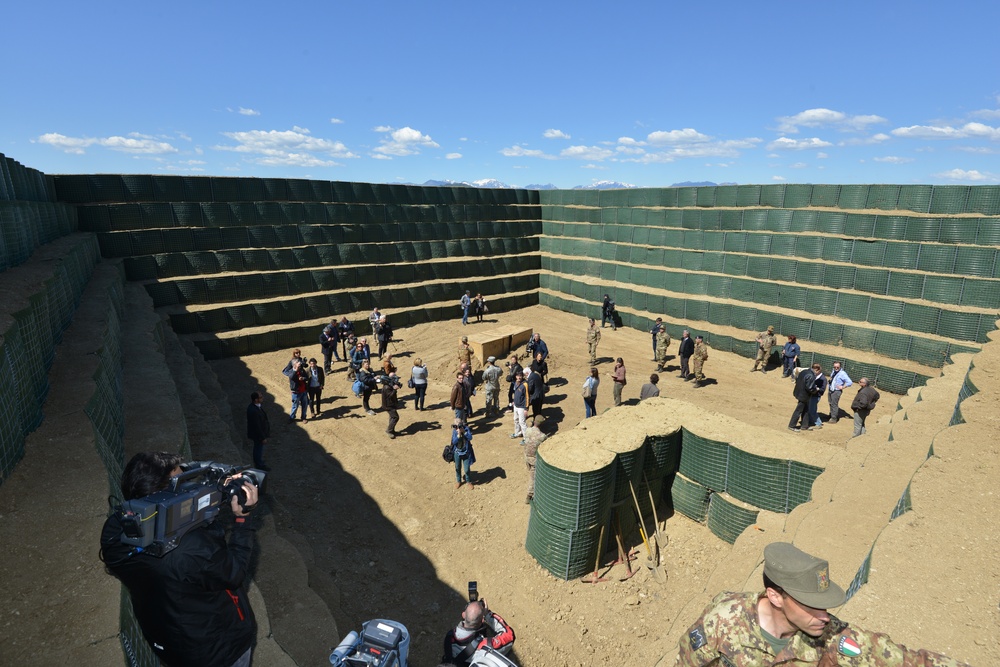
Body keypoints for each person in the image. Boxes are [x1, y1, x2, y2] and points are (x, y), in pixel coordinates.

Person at [669, 541, 970, 667]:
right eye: (811, 605)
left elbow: (894, 658)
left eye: (824, 606)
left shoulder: (827, 632)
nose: (824, 616)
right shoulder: (720, 625)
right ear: (776, 597)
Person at [100, 452, 259, 667]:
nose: (190, 487)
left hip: (169, 643)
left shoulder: (116, 531)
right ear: (165, 499)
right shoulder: (192, 550)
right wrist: (242, 518)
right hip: (218, 651)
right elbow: (234, 572)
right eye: (183, 485)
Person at [442, 599, 514, 665]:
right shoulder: (485, 645)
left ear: (463, 615)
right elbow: (509, 635)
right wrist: (487, 614)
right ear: (482, 620)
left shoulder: (449, 636)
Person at [522, 415, 547, 504]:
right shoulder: (542, 436)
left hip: (526, 457)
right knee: (533, 478)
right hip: (534, 460)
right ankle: (529, 496)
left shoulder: (527, 430)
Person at [246, 391, 271, 471]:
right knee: (258, 449)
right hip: (257, 435)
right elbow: (257, 426)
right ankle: (259, 465)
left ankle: (259, 462)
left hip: (258, 433)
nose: (262, 398)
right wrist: (262, 437)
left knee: (258, 448)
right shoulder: (253, 411)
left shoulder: (255, 407)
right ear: (256, 400)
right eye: (260, 397)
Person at [788, 364, 816, 432]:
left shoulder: (804, 371)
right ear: (816, 370)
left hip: (799, 393)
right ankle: (791, 425)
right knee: (798, 410)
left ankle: (804, 425)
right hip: (804, 396)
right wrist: (815, 390)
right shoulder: (811, 376)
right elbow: (810, 388)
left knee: (805, 410)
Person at [451, 418, 476, 489]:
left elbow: (470, 437)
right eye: (456, 426)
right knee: (457, 467)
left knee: (467, 469)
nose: (457, 427)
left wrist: (464, 432)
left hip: (466, 452)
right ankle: (458, 481)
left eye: (459, 425)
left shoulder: (466, 429)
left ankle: (468, 481)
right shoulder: (454, 431)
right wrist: (458, 435)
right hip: (457, 452)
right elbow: (454, 441)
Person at [288, 359, 310, 423]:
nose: (299, 363)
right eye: (297, 362)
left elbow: (307, 377)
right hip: (296, 392)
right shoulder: (291, 371)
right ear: (294, 365)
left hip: (303, 391)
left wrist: (303, 378)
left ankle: (303, 417)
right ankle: (292, 418)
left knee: (304, 405)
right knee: (295, 406)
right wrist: (296, 370)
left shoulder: (302, 370)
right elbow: (291, 377)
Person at [381, 372, 400, 439]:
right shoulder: (387, 387)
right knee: (395, 417)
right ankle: (389, 431)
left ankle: (392, 430)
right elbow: (390, 396)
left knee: (392, 417)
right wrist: (395, 389)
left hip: (390, 404)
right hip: (388, 405)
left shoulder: (388, 385)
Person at [807, 363, 826, 429]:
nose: (813, 371)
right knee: (809, 409)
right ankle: (810, 421)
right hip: (810, 395)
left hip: (816, 396)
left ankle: (818, 423)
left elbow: (822, 390)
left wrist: (817, 389)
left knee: (812, 410)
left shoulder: (823, 379)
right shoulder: (813, 376)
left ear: (818, 370)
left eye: (814, 370)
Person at [510, 369, 528, 440]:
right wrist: (514, 401)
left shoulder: (525, 384)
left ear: (522, 376)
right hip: (516, 406)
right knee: (516, 420)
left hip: (522, 407)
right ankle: (517, 433)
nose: (519, 377)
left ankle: (526, 438)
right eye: (517, 376)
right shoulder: (515, 383)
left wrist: (526, 408)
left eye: (520, 376)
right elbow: (516, 393)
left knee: (522, 422)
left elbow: (527, 397)